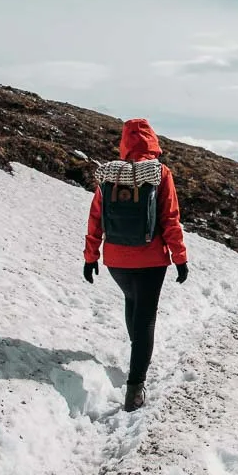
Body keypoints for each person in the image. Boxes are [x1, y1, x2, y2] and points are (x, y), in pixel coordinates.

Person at [83, 118, 189, 412]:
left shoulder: (110, 174)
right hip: (151, 259)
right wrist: (180, 258)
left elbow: (96, 218)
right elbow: (170, 219)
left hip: (116, 259)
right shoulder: (159, 172)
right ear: (152, 141)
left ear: (125, 143)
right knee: (145, 319)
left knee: (132, 302)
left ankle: (136, 355)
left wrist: (91, 256)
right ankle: (135, 389)